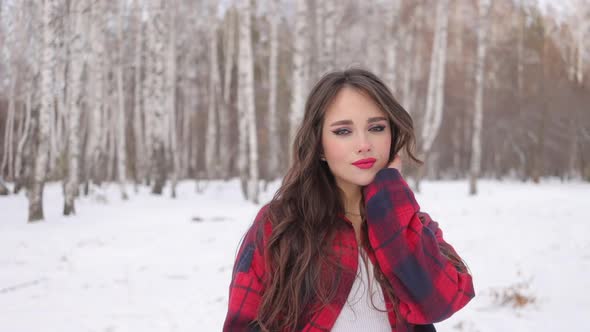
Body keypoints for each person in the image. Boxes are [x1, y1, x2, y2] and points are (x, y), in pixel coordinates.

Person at [223, 68, 475, 331]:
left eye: (376, 128)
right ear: (319, 145)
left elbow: (442, 302)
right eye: (343, 131)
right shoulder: (278, 224)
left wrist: (388, 197)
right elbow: (241, 324)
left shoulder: (411, 223)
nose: (364, 144)